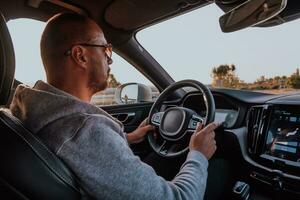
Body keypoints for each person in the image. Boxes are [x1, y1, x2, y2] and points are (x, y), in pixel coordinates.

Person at [9, 13, 218, 199]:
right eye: (106, 49)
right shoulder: (85, 131)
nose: (110, 60)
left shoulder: (30, 110)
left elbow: (79, 153)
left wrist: (126, 138)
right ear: (80, 56)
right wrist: (198, 155)